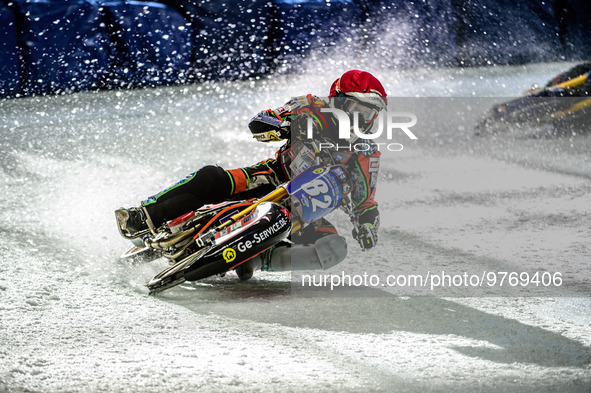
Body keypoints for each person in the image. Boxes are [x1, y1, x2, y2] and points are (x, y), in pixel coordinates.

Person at [116, 70, 387, 278]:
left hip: (305, 209)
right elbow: (261, 122)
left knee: (334, 249)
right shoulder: (309, 107)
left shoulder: (367, 153)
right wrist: (281, 126)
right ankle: (144, 216)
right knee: (213, 176)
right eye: (356, 110)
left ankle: (258, 259)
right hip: (270, 177)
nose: (361, 120)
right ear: (337, 101)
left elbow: (366, 201)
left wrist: (367, 225)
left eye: (369, 114)